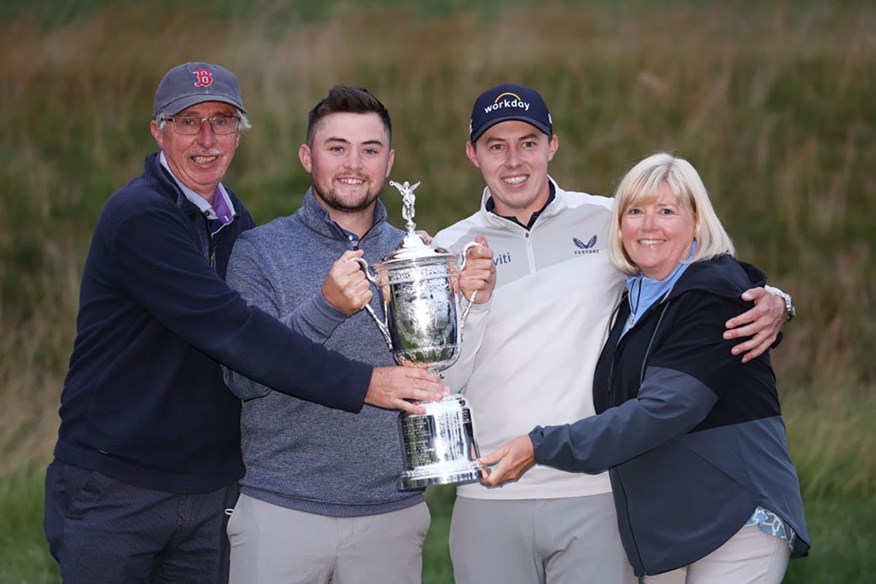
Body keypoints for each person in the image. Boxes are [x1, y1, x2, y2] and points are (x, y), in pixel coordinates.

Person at [43, 63, 447, 584]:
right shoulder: (141, 217)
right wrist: (367, 382)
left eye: (223, 121)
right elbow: (238, 336)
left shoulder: (235, 223)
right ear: (158, 130)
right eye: (189, 121)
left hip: (209, 490)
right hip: (116, 484)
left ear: (240, 132)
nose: (207, 139)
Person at [432, 84, 794, 584]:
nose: (514, 160)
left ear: (552, 146)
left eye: (529, 143)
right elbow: (440, 381)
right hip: (491, 488)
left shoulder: (611, 219)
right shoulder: (448, 249)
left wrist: (774, 298)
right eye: (496, 145)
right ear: (473, 154)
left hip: (599, 489)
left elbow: (702, 264)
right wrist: (473, 305)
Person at [221, 85, 494, 584]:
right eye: (336, 147)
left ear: (389, 163)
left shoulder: (417, 255)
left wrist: (467, 302)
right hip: (282, 511)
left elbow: (440, 377)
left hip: (390, 516)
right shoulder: (259, 252)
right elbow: (244, 381)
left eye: (369, 150)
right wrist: (325, 307)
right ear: (308, 157)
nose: (354, 163)